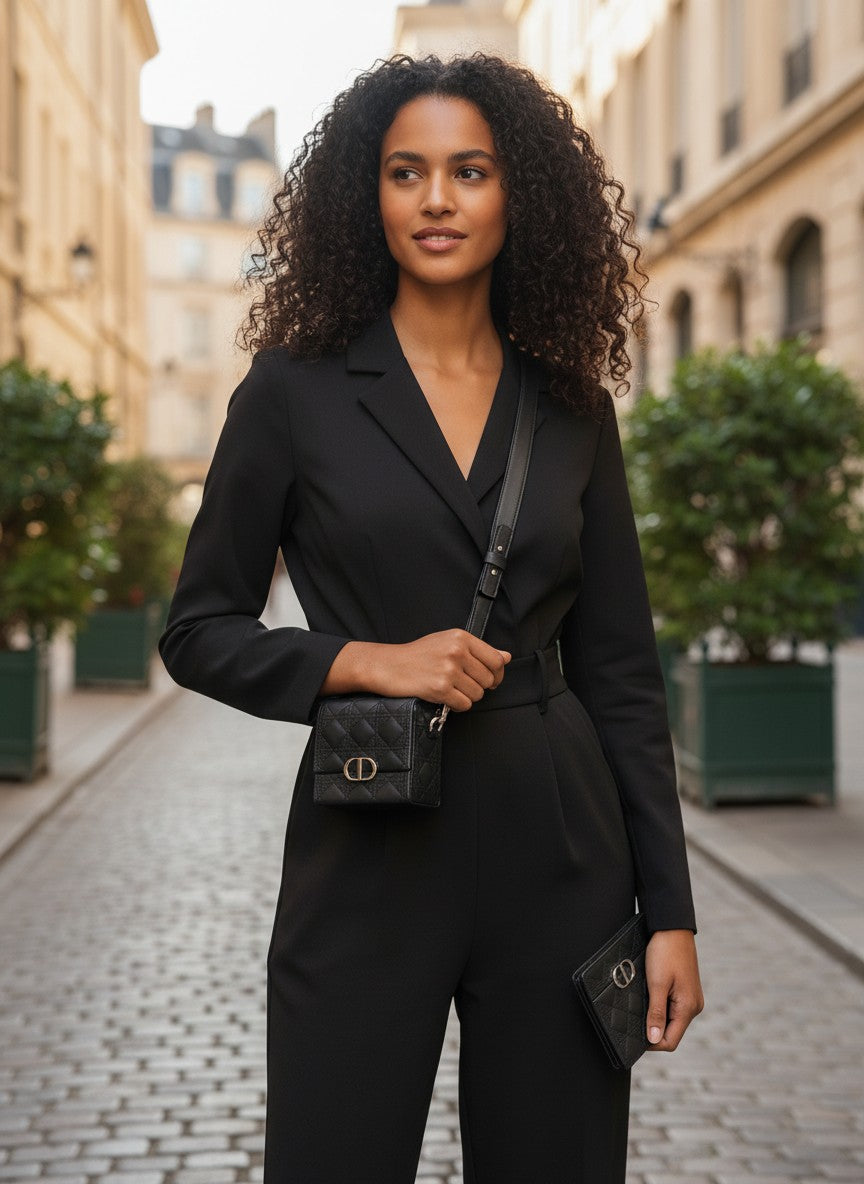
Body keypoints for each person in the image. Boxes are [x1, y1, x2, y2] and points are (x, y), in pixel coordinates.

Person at [159, 52, 704, 1184]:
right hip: (368, 836)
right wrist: (362, 660)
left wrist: (672, 910)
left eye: (471, 171)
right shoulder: (294, 389)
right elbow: (198, 626)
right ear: (370, 194)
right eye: (408, 172)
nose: (439, 199)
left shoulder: (569, 401)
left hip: (561, 841)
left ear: (523, 195)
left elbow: (622, 671)